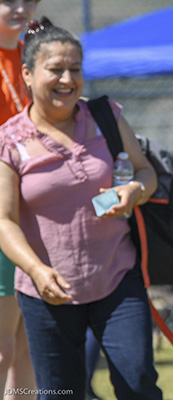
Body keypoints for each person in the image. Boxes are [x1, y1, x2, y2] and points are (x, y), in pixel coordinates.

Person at [0, 18, 162, 399]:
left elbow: (145, 171)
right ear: (27, 73)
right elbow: (4, 221)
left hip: (117, 279)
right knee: (60, 393)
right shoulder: (9, 141)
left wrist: (136, 189)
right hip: (47, 291)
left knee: (138, 384)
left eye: (75, 69)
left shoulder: (105, 116)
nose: (67, 79)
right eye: (55, 69)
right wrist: (37, 271)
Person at [0, 1, 38, 398]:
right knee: (2, 350)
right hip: (2, 216)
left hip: (41, 215)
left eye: (30, 0)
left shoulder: (35, 53)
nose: (21, 8)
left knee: (29, 348)